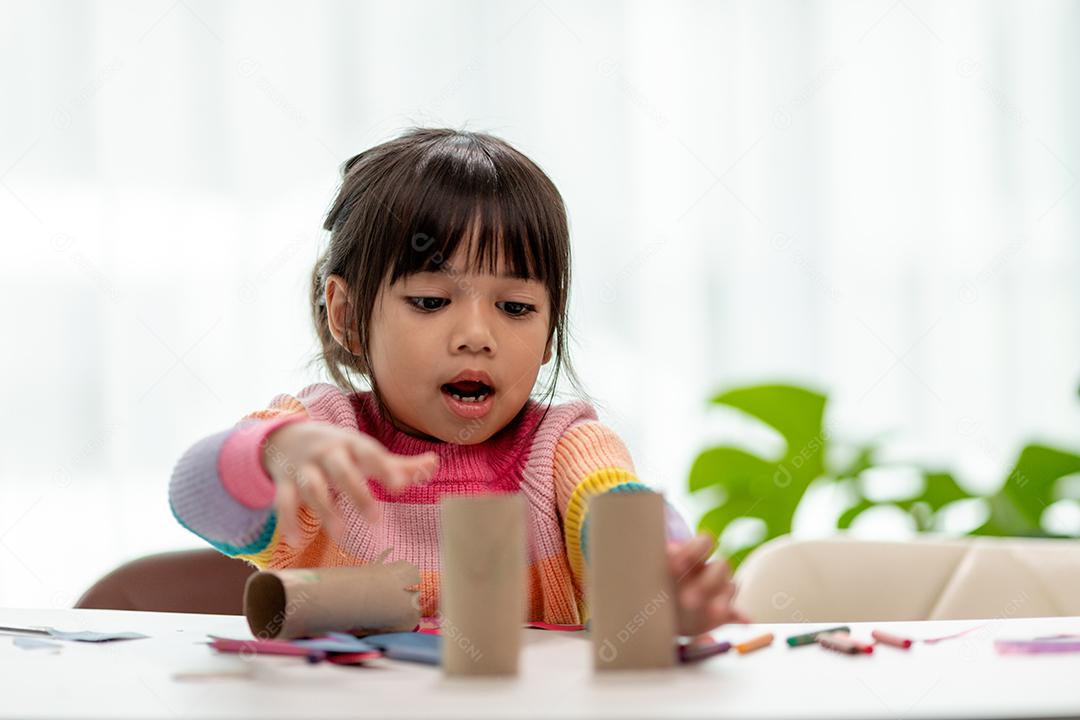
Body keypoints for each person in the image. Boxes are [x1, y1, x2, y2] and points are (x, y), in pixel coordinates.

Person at [169, 127, 746, 635]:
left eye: (516, 307)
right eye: (431, 300)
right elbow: (195, 496)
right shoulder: (321, 438)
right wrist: (273, 451)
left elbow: (618, 510)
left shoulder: (565, 447)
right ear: (346, 314)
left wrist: (661, 583)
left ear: (551, 330)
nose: (477, 335)